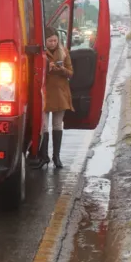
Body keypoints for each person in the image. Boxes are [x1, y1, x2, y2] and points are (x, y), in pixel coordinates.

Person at [34, 27, 74, 169]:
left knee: (57, 125)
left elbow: (70, 73)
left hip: (60, 94)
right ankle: (44, 156)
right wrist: (47, 67)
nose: (53, 43)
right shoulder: (41, 53)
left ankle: (56, 156)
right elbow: (34, 71)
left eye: (55, 40)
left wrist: (62, 69)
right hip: (45, 94)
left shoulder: (64, 52)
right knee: (43, 126)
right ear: (45, 41)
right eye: (50, 40)